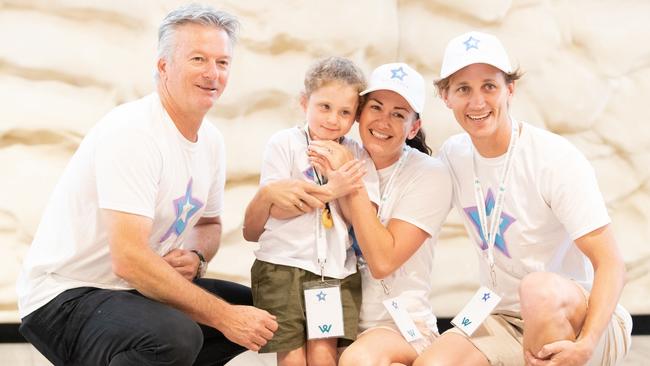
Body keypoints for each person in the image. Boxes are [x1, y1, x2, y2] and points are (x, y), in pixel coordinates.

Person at [16, 4, 277, 366]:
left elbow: (208, 224)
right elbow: (128, 259)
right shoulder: (133, 132)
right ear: (163, 66)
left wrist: (198, 258)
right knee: (178, 336)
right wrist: (224, 317)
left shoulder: (211, 141)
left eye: (222, 62)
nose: (212, 73)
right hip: (64, 297)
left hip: (131, 291)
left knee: (259, 310)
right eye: (198, 59)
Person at [414, 31, 633, 366]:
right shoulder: (453, 157)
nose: (477, 102)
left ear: (509, 89)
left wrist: (587, 343)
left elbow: (611, 264)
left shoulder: (553, 158)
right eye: (463, 89)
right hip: (501, 314)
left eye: (489, 86)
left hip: (585, 320)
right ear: (445, 97)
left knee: (538, 290)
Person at [309, 63, 453, 366]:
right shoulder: (340, 152)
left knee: (359, 360)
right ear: (360, 112)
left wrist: (351, 180)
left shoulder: (429, 174)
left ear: (414, 127)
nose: (383, 121)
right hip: (340, 315)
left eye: (398, 114)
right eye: (376, 107)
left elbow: (382, 262)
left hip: (400, 327)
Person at [242, 56, 378, 366]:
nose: (333, 119)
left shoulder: (354, 153)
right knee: (291, 354)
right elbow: (276, 207)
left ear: (355, 116)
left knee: (323, 353)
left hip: (333, 270)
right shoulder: (284, 144)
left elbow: (360, 214)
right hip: (282, 266)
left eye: (345, 112)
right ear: (305, 102)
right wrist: (331, 188)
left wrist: (340, 177)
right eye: (324, 107)